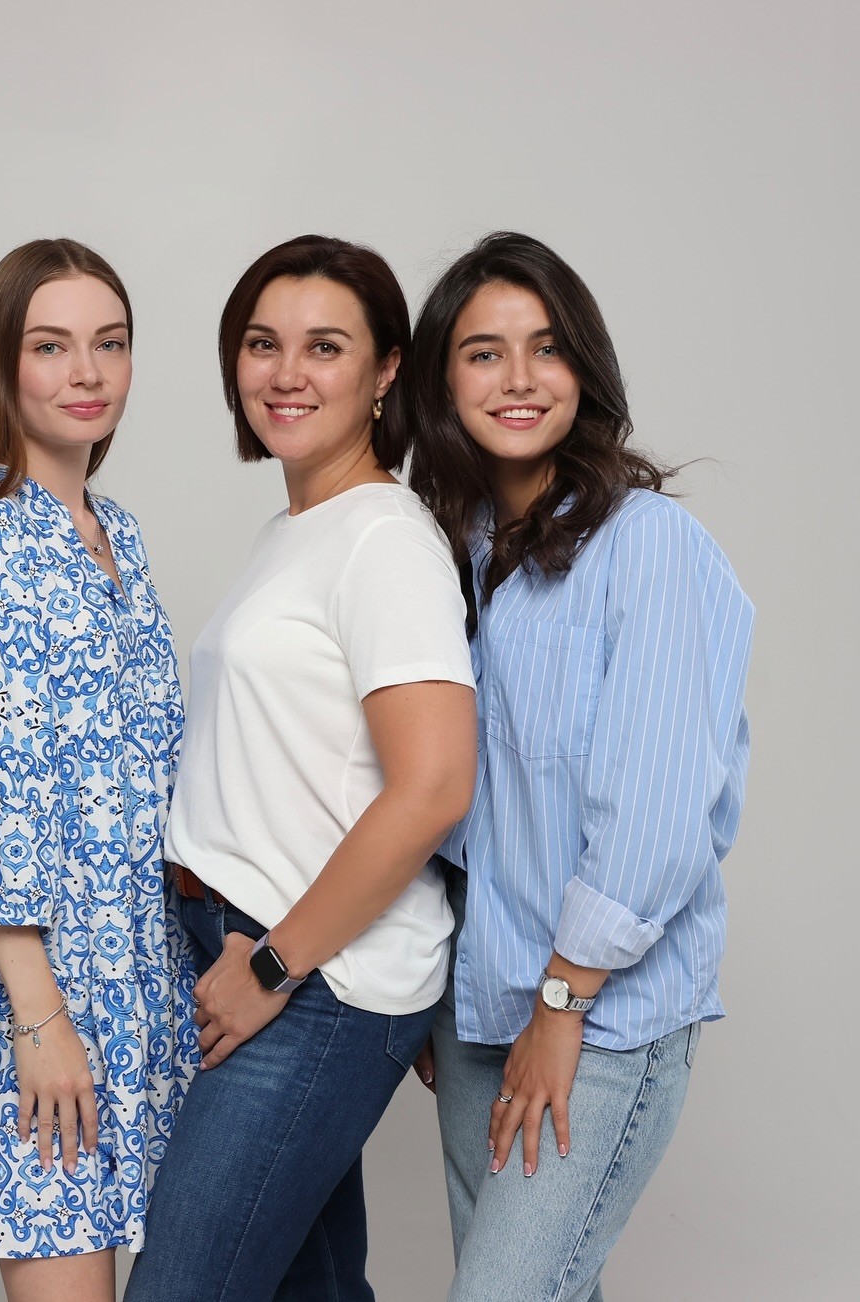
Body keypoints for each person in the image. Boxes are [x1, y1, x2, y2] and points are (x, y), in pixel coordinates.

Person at [124, 235, 477, 1302]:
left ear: (384, 375)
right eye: (262, 343)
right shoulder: (302, 529)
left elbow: (434, 786)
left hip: (312, 976)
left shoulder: (385, 542)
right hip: (258, 950)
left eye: (325, 347)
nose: (286, 373)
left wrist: (273, 965)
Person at [405, 231, 755, 1302]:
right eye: (483, 353)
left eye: (546, 349)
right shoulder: (447, 551)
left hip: (599, 1014)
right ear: (439, 380)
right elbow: (449, 801)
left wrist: (562, 1007)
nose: (518, 379)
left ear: (585, 371)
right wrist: (440, 994)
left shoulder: (647, 547)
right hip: (480, 1006)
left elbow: (655, 818)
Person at [0, 239, 197, 1302]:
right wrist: (41, 1018)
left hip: (137, 973)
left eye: (109, 344)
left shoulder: (116, 531)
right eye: (53, 346)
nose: (88, 373)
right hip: (41, 983)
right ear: (2, 367)